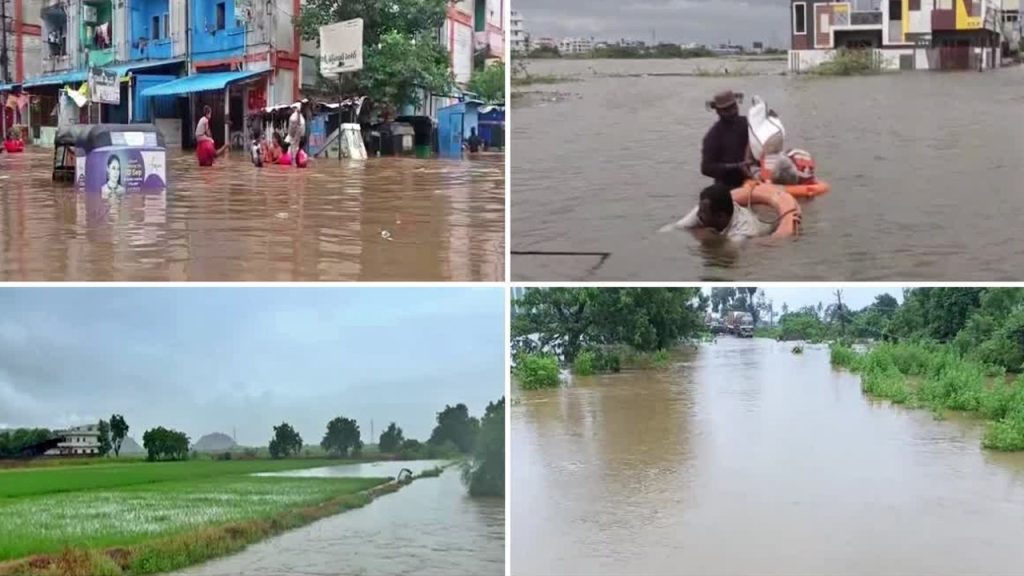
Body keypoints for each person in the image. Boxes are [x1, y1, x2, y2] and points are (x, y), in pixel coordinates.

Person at [672, 183, 777, 239]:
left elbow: (726, 254)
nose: (698, 214)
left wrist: (710, 238)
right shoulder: (704, 209)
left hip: (765, 222)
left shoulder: (743, 232)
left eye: (703, 212)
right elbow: (676, 228)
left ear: (720, 216)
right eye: (699, 209)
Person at [701, 90, 754, 189]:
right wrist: (737, 166)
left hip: (752, 179)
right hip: (727, 186)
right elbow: (706, 168)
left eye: (734, 107)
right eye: (727, 110)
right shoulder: (713, 136)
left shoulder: (747, 123)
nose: (732, 112)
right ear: (718, 111)